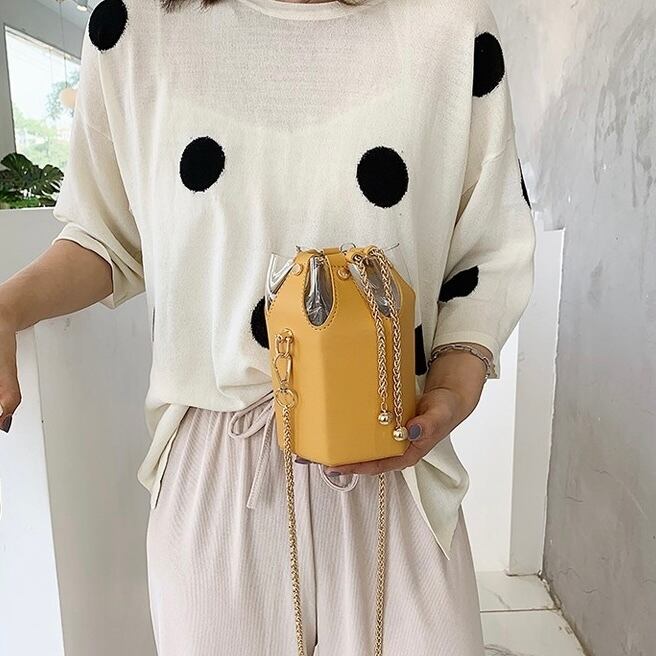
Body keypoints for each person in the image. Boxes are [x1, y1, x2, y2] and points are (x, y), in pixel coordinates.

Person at [0, 0, 535, 653]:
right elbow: (106, 232)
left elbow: (489, 246)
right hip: (219, 471)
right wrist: (9, 304)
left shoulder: (449, 27)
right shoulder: (134, 28)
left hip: (391, 453)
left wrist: (452, 387)